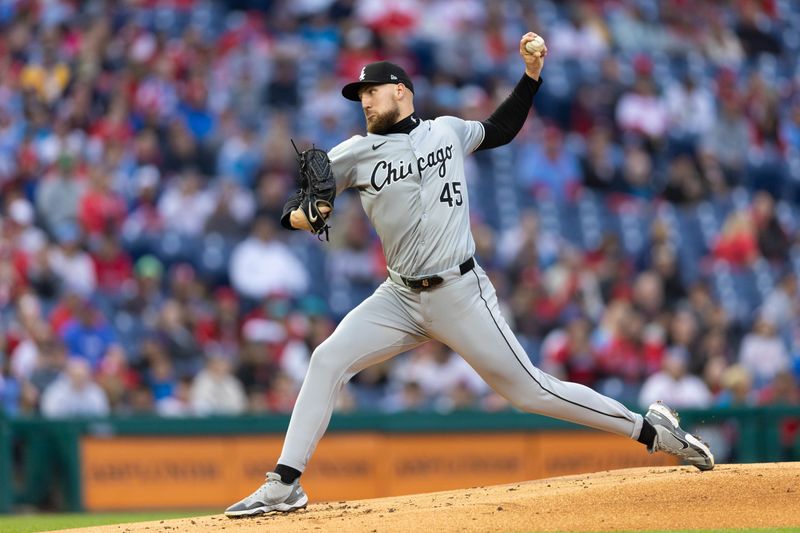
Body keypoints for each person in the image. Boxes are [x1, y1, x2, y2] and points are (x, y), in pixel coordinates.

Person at [225, 33, 714, 518]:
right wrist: (302, 214)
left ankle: (651, 431)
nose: (365, 102)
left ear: (401, 90)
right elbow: (292, 202)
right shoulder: (352, 153)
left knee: (531, 391)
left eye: (371, 91)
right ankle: (284, 485)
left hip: (460, 292)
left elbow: (500, 128)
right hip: (398, 296)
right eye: (359, 96)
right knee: (328, 359)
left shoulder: (447, 131)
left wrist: (531, 78)